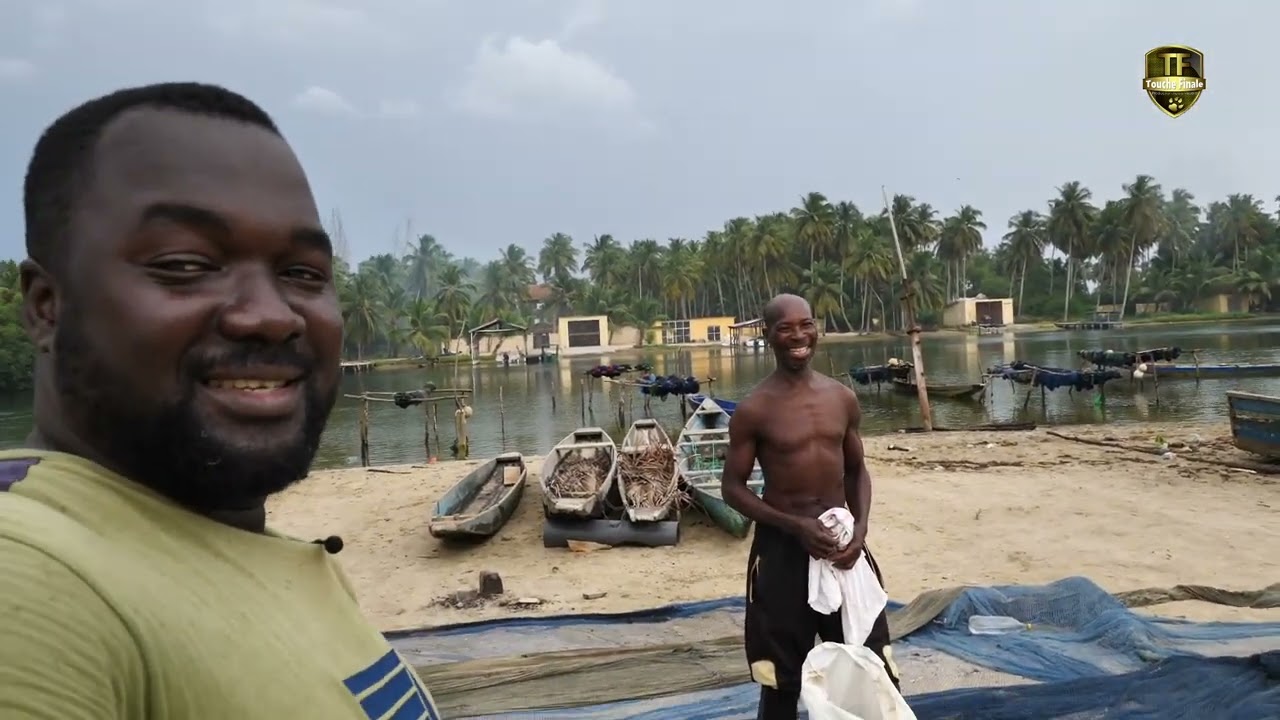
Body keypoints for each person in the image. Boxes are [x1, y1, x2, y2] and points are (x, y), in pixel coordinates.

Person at [0, 83, 442, 719]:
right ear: (48, 306)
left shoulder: (239, 548)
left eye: (302, 274)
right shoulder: (33, 580)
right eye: (184, 265)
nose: (270, 316)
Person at [721, 293, 899, 720]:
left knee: (873, 666)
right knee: (782, 679)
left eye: (806, 324)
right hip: (783, 556)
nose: (798, 336)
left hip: (844, 550)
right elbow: (732, 489)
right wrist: (795, 525)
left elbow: (857, 471)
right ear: (768, 336)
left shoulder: (841, 398)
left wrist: (860, 532)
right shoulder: (755, 410)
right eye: (785, 328)